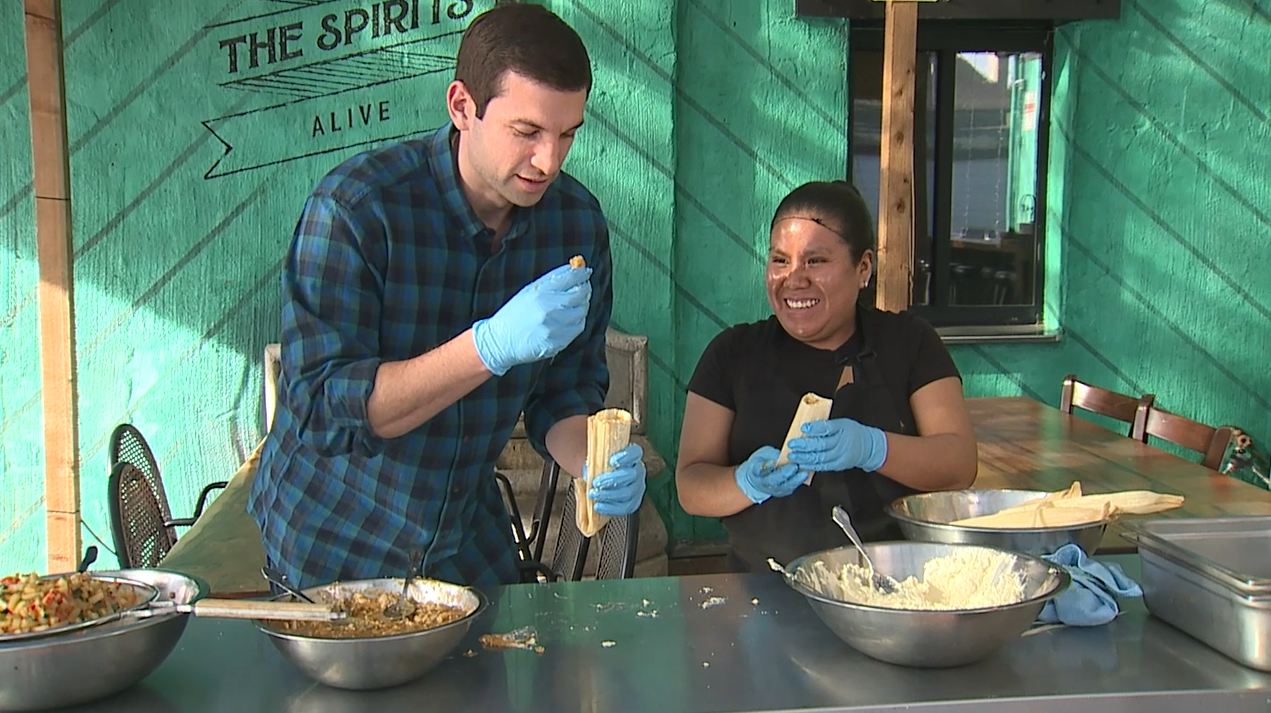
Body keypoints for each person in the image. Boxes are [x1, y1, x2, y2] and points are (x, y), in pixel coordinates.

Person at [248, 4, 646, 589]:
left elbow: (565, 391)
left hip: (465, 536)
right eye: (527, 131)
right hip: (332, 540)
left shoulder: (575, 225)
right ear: (462, 106)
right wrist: (486, 348)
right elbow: (327, 407)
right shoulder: (357, 209)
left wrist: (592, 456)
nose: (549, 161)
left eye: (567, 135)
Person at [675, 180, 977, 573]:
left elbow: (959, 463)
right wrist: (745, 483)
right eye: (780, 260)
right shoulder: (733, 354)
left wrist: (873, 447)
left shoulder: (910, 343)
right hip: (761, 594)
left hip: (892, 586)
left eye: (815, 261)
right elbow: (691, 486)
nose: (794, 279)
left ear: (863, 267)